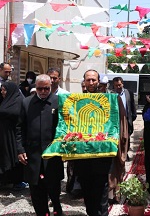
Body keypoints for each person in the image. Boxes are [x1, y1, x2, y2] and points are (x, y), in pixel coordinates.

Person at [74, 69, 128, 215]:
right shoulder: (76, 101)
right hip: (83, 155)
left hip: (102, 155)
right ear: (84, 82)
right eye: (88, 80)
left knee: (101, 192)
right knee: (87, 193)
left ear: (99, 81)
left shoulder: (112, 100)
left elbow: (120, 124)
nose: (91, 83)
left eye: (94, 80)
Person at [16, 74, 64, 216]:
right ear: (35, 88)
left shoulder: (59, 102)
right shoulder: (26, 103)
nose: (43, 91)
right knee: (37, 193)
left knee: (54, 192)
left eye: (46, 88)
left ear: (51, 87)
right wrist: (20, 149)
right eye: (40, 88)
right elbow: (19, 128)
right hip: (33, 156)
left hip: (53, 156)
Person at [0, 82, 27, 190]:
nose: (2, 92)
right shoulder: (4, 101)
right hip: (4, 134)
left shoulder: (19, 101)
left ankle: (16, 180)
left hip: (14, 134)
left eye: (4, 90)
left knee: (15, 155)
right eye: (2, 89)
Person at [112, 77, 137, 160]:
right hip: (116, 121)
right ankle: (118, 154)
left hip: (127, 119)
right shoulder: (112, 94)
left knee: (127, 137)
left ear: (122, 84)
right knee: (118, 138)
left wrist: (133, 116)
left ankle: (125, 153)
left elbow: (132, 105)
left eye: (119, 85)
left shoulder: (128, 93)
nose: (118, 87)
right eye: (116, 86)